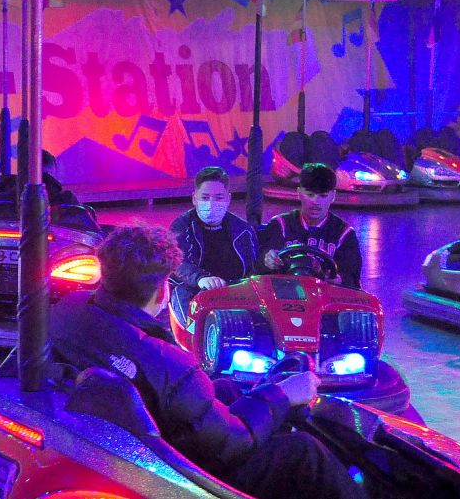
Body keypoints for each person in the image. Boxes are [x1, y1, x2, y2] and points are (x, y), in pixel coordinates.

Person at [49, 226, 365, 499]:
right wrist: (283, 394)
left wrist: (260, 393)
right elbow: (231, 443)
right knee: (304, 451)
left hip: (135, 442)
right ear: (163, 292)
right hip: (187, 476)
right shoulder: (170, 363)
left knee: (225, 388)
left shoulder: (71, 310)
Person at [260, 163, 363, 288]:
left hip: (326, 297)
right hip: (286, 293)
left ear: (333, 196)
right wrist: (268, 260)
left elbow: (352, 278)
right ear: (299, 193)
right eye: (310, 194)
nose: (316, 201)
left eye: (323, 196)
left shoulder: (344, 234)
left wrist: (337, 279)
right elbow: (260, 266)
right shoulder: (280, 225)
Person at [169, 166, 257, 296]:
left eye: (219, 198)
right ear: (194, 199)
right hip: (194, 289)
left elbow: (253, 268)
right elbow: (178, 263)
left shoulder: (243, 230)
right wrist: (201, 279)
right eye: (205, 198)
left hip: (234, 290)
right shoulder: (181, 227)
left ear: (228, 199)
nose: (211, 203)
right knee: (181, 293)